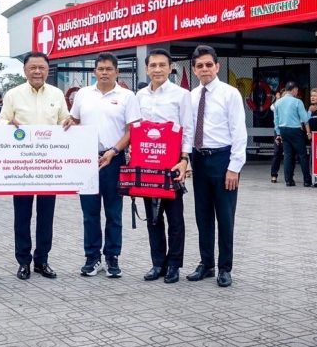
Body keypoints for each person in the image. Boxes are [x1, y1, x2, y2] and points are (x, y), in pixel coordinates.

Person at [66, 52, 141, 279]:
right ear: (94, 72)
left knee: (113, 213)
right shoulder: (83, 95)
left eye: (109, 69)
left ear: (117, 71)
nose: (105, 73)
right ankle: (92, 258)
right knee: (89, 213)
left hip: (114, 159)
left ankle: (112, 257)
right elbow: (75, 121)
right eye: (101, 69)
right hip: (86, 160)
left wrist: (114, 151)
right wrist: (68, 122)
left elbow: (131, 131)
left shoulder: (128, 96)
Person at [0, 51, 70, 280]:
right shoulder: (13, 94)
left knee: (46, 215)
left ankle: (42, 260)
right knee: (22, 215)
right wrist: (8, 124)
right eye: (33, 68)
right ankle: (23, 261)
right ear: (25, 70)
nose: (37, 71)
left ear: (48, 70)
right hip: (22, 166)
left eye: (41, 68)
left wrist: (70, 126)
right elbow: (1, 121)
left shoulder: (57, 94)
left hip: (49, 166)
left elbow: (63, 123)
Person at [187, 45, 247, 288]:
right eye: (199, 66)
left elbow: (239, 132)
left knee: (225, 217)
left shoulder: (230, 93)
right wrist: (187, 160)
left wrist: (234, 167)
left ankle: (225, 267)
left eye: (208, 65)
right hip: (199, 160)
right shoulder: (191, 96)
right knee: (202, 216)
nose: (204, 69)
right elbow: (189, 130)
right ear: (194, 69)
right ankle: (206, 264)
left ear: (217, 66)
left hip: (223, 161)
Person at [135, 48, 193, 284]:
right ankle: (157, 263)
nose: (157, 69)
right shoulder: (139, 96)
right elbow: (135, 128)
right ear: (147, 68)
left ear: (170, 68)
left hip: (172, 164)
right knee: (153, 218)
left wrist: (184, 160)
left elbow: (187, 128)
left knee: (175, 218)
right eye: (153, 65)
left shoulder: (181, 95)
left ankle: (174, 265)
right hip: (147, 164)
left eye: (162, 65)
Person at [274, 82, 312, 187]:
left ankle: (289, 180)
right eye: (296, 90)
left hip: (283, 130)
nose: (297, 92)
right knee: (302, 155)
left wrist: (278, 133)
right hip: (295, 130)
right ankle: (307, 180)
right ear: (294, 89)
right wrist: (310, 111)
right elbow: (305, 118)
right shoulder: (297, 102)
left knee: (288, 155)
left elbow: (276, 120)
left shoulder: (278, 102)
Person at [269, 89, 286, 183]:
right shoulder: (277, 104)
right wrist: (278, 99)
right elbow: (272, 107)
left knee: (290, 153)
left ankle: (290, 175)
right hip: (278, 130)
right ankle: (274, 174)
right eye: (283, 95)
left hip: (288, 130)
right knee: (277, 152)